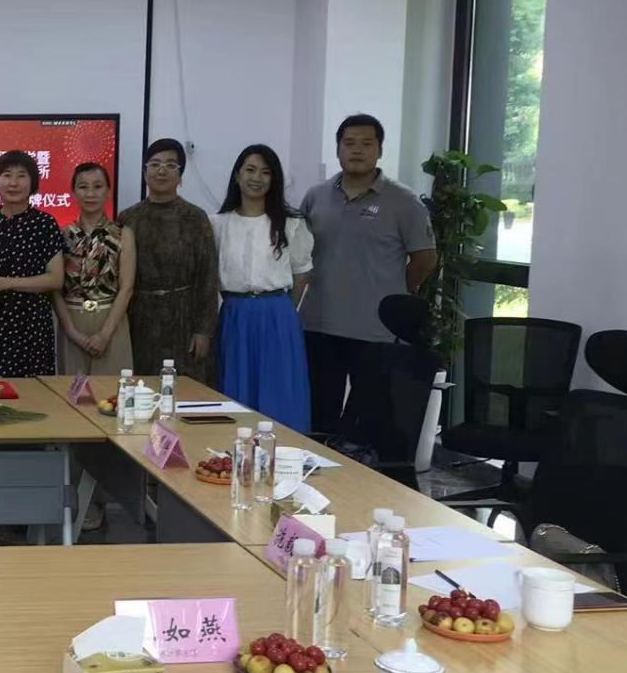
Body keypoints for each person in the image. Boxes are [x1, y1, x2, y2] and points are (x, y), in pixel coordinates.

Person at [299, 113, 438, 433]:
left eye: (366, 143)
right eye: (349, 143)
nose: (357, 150)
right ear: (338, 149)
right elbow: (299, 255)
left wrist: (397, 292)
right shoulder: (315, 196)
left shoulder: (404, 201)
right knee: (319, 419)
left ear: (379, 150)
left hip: (375, 332)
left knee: (368, 425)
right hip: (319, 325)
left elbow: (425, 258)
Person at [211, 145, 313, 432]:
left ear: (274, 179)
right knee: (236, 391)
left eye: (265, 172)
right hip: (234, 313)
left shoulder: (291, 224)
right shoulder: (218, 224)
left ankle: (284, 451)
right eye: (250, 170)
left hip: (278, 314)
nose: (256, 178)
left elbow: (302, 273)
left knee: (279, 390)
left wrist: (283, 310)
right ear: (237, 175)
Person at [117, 138, 220, 382]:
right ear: (145, 172)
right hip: (139, 318)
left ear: (180, 176)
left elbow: (208, 278)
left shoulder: (196, 218)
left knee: (184, 389)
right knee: (138, 386)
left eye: (171, 165)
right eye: (154, 164)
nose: (161, 171)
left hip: (183, 318)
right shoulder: (127, 218)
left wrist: (203, 331)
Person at [0, 150, 64, 378]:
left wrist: (6, 283)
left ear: (33, 183)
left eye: (21, 175)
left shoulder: (45, 224)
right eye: (7, 175)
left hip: (33, 327)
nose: (13, 183)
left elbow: (55, 279)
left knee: (35, 394)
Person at [52, 162, 135, 375]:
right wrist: (72, 331)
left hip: (111, 321)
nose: (90, 194)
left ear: (108, 191)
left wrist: (104, 335)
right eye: (83, 187)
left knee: (111, 390)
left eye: (97, 187)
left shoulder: (123, 234)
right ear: (73, 192)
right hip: (72, 322)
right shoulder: (62, 235)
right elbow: (55, 289)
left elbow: (127, 288)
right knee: (72, 391)